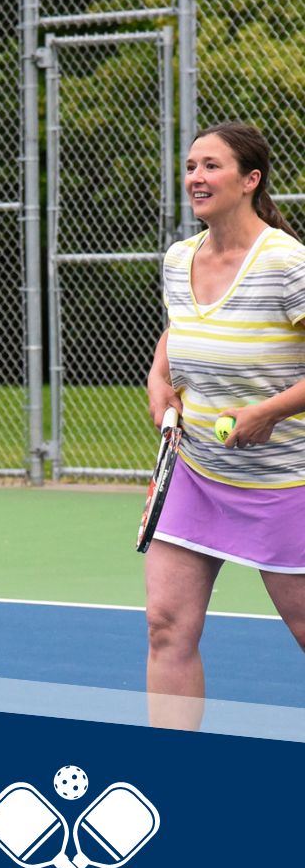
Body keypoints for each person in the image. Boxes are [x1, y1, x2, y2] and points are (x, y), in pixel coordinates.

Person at [145, 121, 305, 728]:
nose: (195, 178)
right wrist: (160, 381)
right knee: (166, 627)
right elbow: (180, 332)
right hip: (197, 474)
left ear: (250, 180)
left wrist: (267, 412)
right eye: (190, 166)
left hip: (284, 484)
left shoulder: (286, 263)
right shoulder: (179, 258)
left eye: (211, 166)